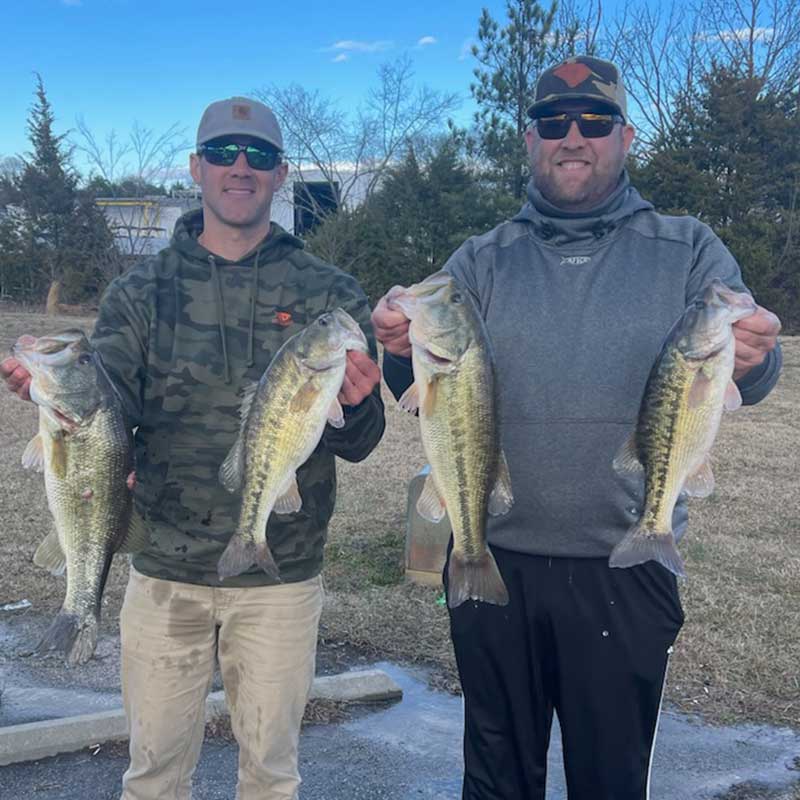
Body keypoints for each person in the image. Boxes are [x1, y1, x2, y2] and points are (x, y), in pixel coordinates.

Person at [372, 56, 781, 800]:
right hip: (493, 562)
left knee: (611, 782)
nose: (572, 137)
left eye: (593, 122)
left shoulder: (689, 248)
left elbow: (746, 363)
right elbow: (422, 376)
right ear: (529, 140)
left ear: (625, 137)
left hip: (626, 569)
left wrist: (756, 355)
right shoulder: (479, 260)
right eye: (552, 122)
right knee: (496, 781)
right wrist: (397, 347)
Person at [2, 97, 385, 800]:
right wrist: (48, 391)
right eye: (224, 152)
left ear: (280, 175)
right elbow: (103, 399)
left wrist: (358, 404)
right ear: (195, 169)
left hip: (281, 574)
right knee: (153, 777)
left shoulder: (329, 293)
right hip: (165, 571)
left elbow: (362, 443)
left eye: (259, 156)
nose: (241, 167)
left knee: (271, 776)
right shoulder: (140, 290)